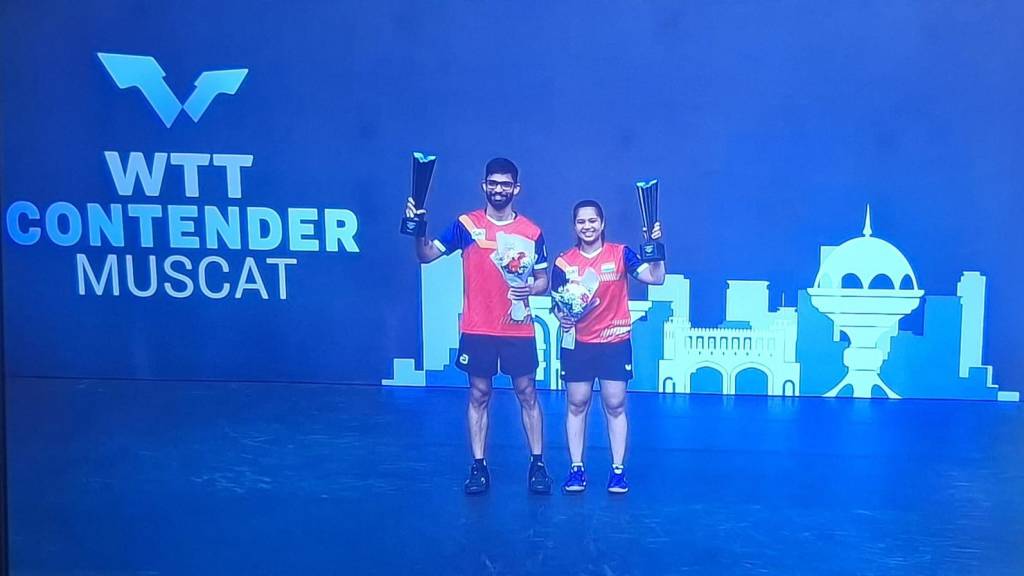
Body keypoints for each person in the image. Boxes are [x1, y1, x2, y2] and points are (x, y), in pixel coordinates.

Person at [407, 157, 552, 494]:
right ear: (484, 186)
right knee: (479, 394)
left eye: (506, 184)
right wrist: (418, 226)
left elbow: (543, 280)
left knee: (527, 393)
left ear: (516, 188)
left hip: (518, 327)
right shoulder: (466, 225)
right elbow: (425, 255)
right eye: (493, 183)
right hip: (477, 328)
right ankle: (478, 466)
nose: (499, 189)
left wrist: (531, 288)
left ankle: (538, 465)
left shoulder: (531, 232)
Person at [551, 200, 664, 494]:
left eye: (592, 221)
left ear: (602, 224)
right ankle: (576, 469)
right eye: (581, 222)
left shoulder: (621, 254)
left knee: (615, 405)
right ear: (574, 226)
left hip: (614, 342)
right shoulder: (564, 262)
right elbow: (556, 304)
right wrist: (562, 316)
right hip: (577, 344)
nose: (587, 226)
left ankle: (617, 471)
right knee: (577, 404)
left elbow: (656, 278)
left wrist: (655, 247)